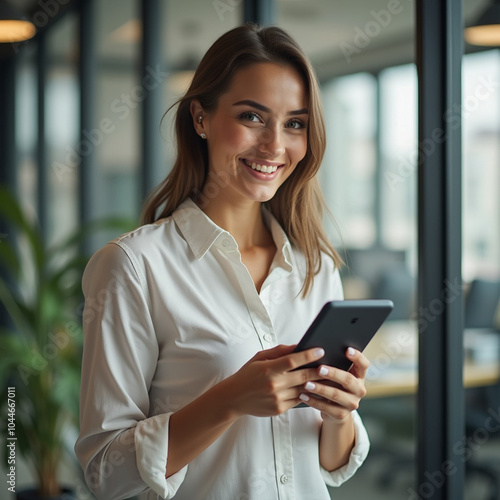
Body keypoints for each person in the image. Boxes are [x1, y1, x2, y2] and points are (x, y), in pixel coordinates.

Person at [75, 24, 370, 500]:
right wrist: (229, 400)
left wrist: (339, 415)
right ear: (200, 118)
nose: (275, 145)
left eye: (295, 123)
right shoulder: (133, 266)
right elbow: (106, 475)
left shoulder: (315, 269)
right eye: (253, 117)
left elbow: (329, 466)